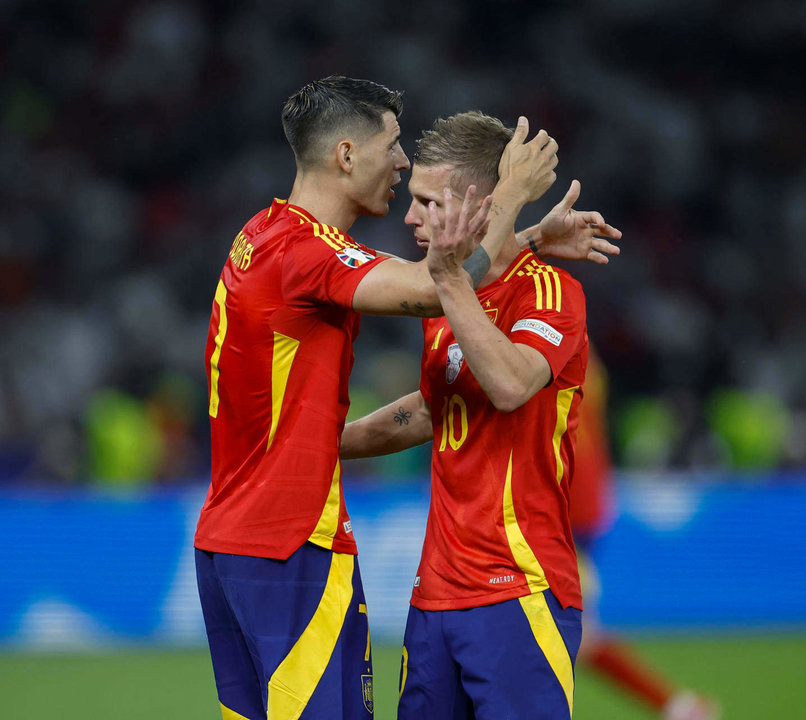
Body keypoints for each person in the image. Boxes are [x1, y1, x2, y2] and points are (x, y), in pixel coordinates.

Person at [193, 75, 565, 720]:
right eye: (391, 144)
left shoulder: (264, 233)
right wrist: (513, 200)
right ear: (345, 155)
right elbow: (436, 287)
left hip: (230, 541)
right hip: (290, 543)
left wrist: (525, 242)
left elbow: (433, 283)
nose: (401, 163)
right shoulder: (307, 253)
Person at [340, 111, 621, 720]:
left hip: (518, 588)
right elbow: (431, 408)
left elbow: (511, 383)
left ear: (479, 205)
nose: (410, 218)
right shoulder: (447, 297)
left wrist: (466, 271)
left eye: (427, 203)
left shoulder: (550, 294)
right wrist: (321, 442)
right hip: (435, 594)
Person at [574, 349, 721, 720]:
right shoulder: (580, 348)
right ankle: (676, 706)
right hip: (585, 503)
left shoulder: (535, 345)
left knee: (569, 634)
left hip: (561, 509)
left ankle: (675, 706)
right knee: (566, 633)